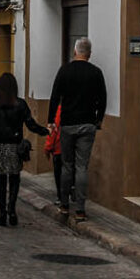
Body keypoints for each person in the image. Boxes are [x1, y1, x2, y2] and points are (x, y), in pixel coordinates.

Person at [48, 37, 107, 221]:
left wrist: (51, 121)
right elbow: (103, 99)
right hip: (88, 124)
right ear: (89, 54)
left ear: (75, 51)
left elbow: (55, 95)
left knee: (67, 165)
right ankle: (80, 209)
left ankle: (65, 206)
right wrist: (98, 119)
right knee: (82, 166)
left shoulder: (65, 70)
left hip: (67, 124)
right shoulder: (96, 73)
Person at [0, 72, 49, 227]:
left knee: (1, 181)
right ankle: (12, 209)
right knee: (15, 179)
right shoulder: (20, 104)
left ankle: (2, 213)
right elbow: (30, 124)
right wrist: (44, 131)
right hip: (14, 147)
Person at [44, 102, 63, 203]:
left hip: (59, 148)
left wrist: (48, 148)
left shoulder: (59, 110)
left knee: (59, 174)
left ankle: (61, 198)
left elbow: (53, 130)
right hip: (71, 148)